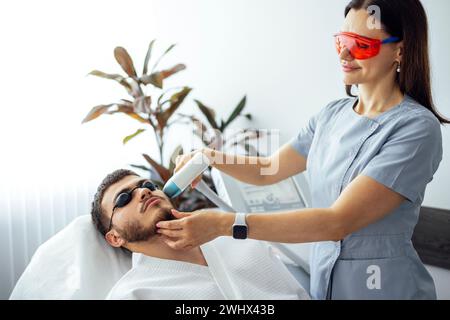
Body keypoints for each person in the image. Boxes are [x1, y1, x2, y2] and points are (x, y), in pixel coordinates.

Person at [156, 0, 448, 300]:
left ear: (400, 49)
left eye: (361, 45)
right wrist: (209, 157)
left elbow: (338, 221)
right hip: (325, 282)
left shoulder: (416, 129)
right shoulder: (331, 115)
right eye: (342, 41)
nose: (345, 54)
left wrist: (223, 224)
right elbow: (267, 170)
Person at [90, 169, 310, 300]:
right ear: (115, 238)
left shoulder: (234, 233)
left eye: (147, 184)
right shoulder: (134, 295)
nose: (143, 191)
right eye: (123, 198)